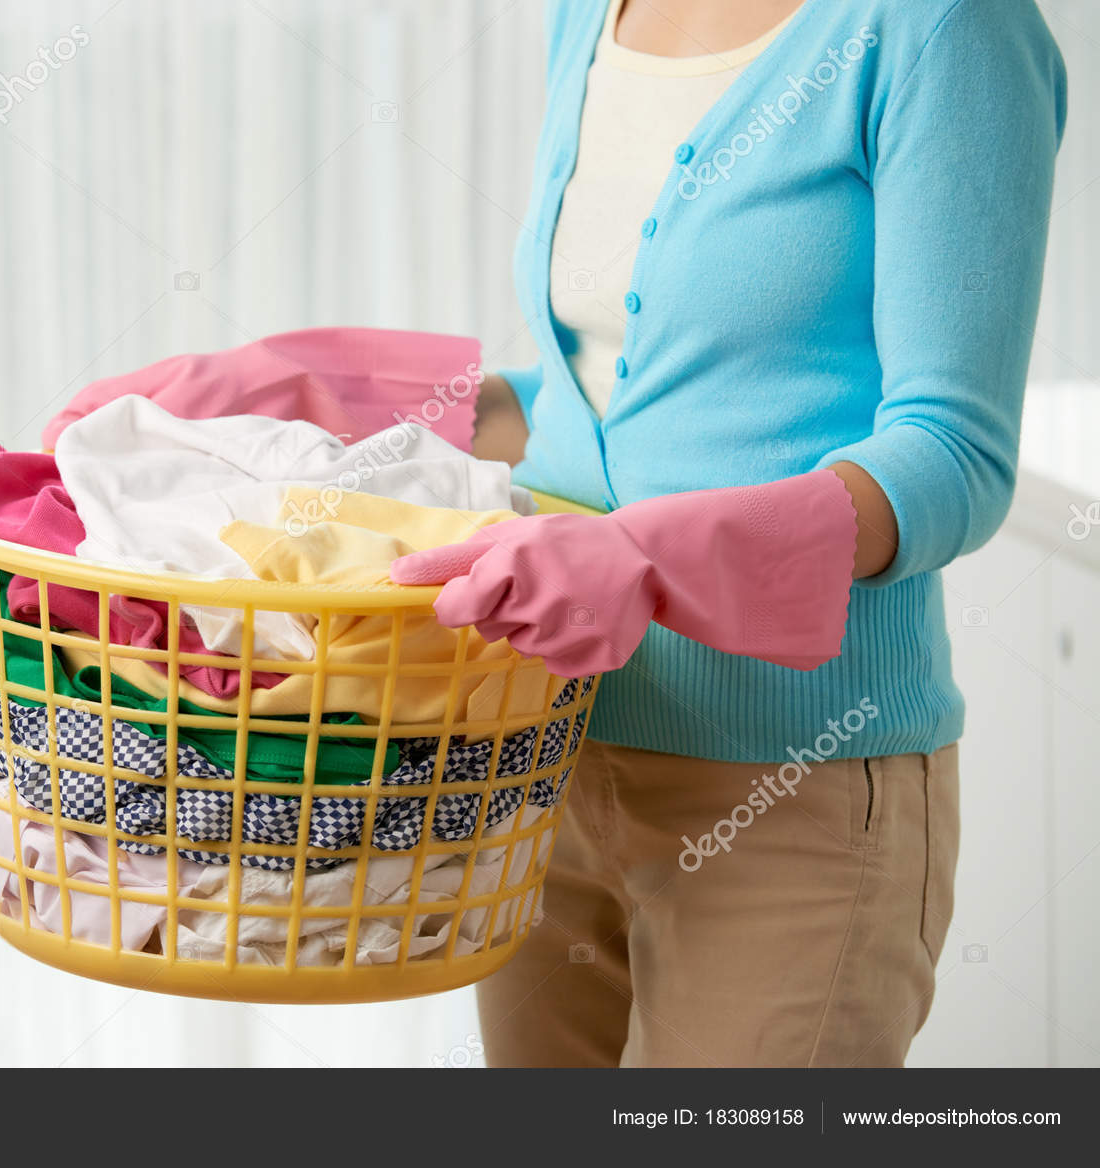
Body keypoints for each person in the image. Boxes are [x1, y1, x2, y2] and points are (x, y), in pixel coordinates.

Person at [390, 0, 1066, 1066]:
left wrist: (651, 560)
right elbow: (591, 393)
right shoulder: (589, 14)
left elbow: (952, 455)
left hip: (792, 788)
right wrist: (340, 399)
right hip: (544, 760)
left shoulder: (940, 29)